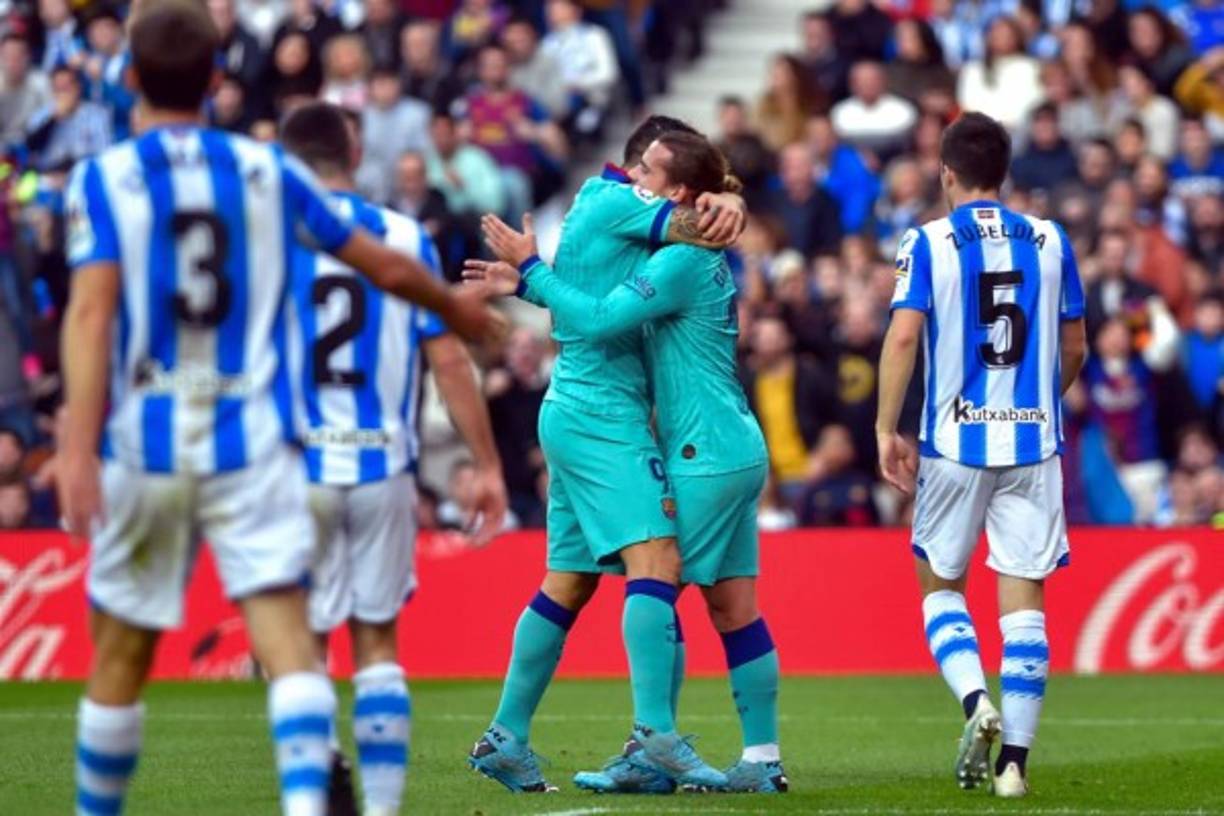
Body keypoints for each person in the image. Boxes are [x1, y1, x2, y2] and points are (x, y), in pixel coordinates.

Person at [57, 4, 499, 815]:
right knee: (291, 639)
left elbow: (89, 315)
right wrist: (455, 308)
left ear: (129, 78)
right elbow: (379, 264)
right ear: (217, 78)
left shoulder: (104, 176)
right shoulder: (268, 172)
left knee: (119, 657)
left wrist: (75, 448)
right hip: (253, 443)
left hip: (149, 440)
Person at [471, 129, 785, 793]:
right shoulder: (632, 212)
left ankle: (634, 743)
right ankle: (734, 754)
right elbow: (601, 310)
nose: (630, 175)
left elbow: (599, 309)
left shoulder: (671, 252)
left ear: (678, 189)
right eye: (637, 166)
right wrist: (531, 278)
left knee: (624, 578)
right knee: (696, 593)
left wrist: (532, 278)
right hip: (657, 429)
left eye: (646, 169)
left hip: (634, 427)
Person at [277, 101, 507, 816]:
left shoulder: (270, 231)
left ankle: (317, 787)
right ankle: (379, 810)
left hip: (297, 468)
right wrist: (487, 463)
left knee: (298, 643)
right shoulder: (404, 235)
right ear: (354, 152)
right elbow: (449, 361)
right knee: (377, 641)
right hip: (381, 464)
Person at [876, 112, 1087, 799]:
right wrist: (1039, 402)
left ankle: (976, 701)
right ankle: (1014, 766)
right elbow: (1076, 346)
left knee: (940, 585)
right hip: (1034, 444)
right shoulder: (1051, 240)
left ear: (946, 174)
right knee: (1024, 598)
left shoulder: (929, 241)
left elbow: (903, 337)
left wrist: (885, 427)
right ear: (1005, 173)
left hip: (955, 444)